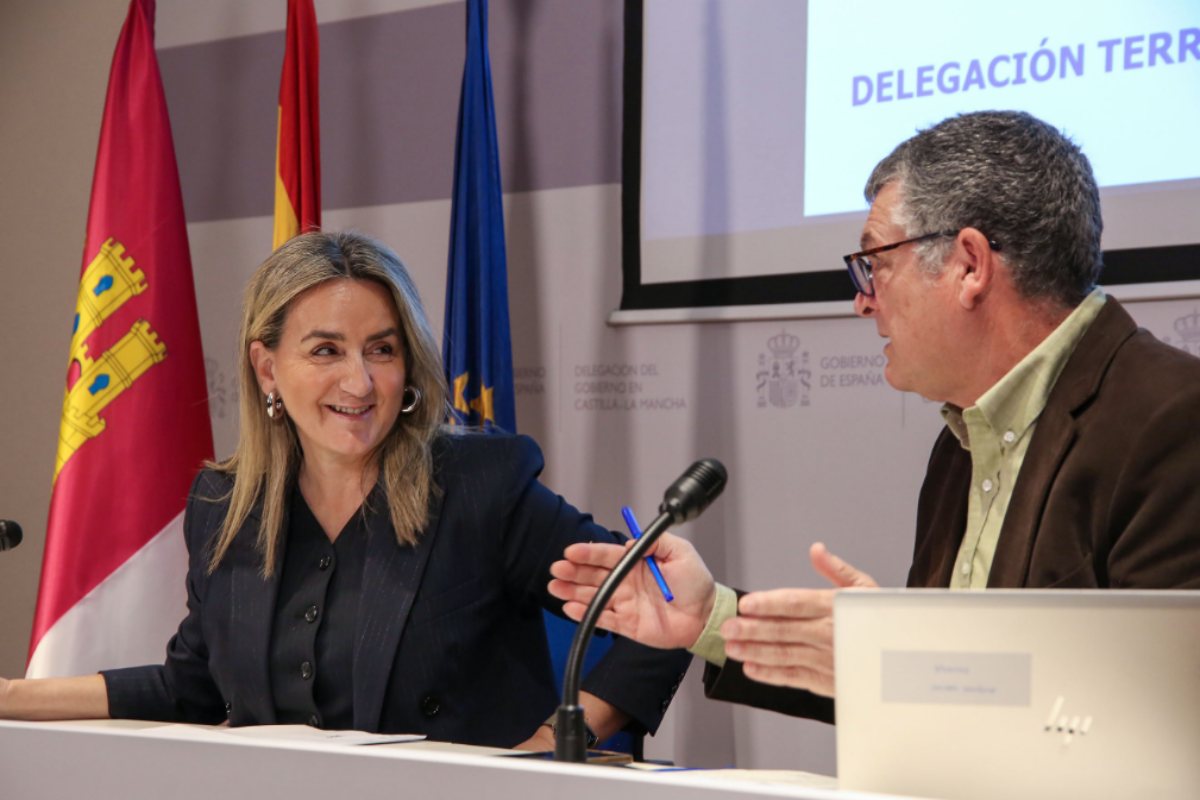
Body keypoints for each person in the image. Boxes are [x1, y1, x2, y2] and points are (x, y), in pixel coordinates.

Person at [548, 110, 1200, 723]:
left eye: (875, 265)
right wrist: (710, 617)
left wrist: (901, 659)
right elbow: (933, 709)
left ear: (969, 265)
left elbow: (1158, 717)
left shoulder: (1175, 421)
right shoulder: (963, 439)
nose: (863, 303)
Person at [0, 231, 690, 748]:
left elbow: (658, 616)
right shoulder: (223, 506)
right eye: (326, 350)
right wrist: (12, 699)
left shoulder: (482, 487)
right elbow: (196, 685)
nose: (359, 383)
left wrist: (544, 749)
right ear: (267, 367)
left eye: (382, 350)